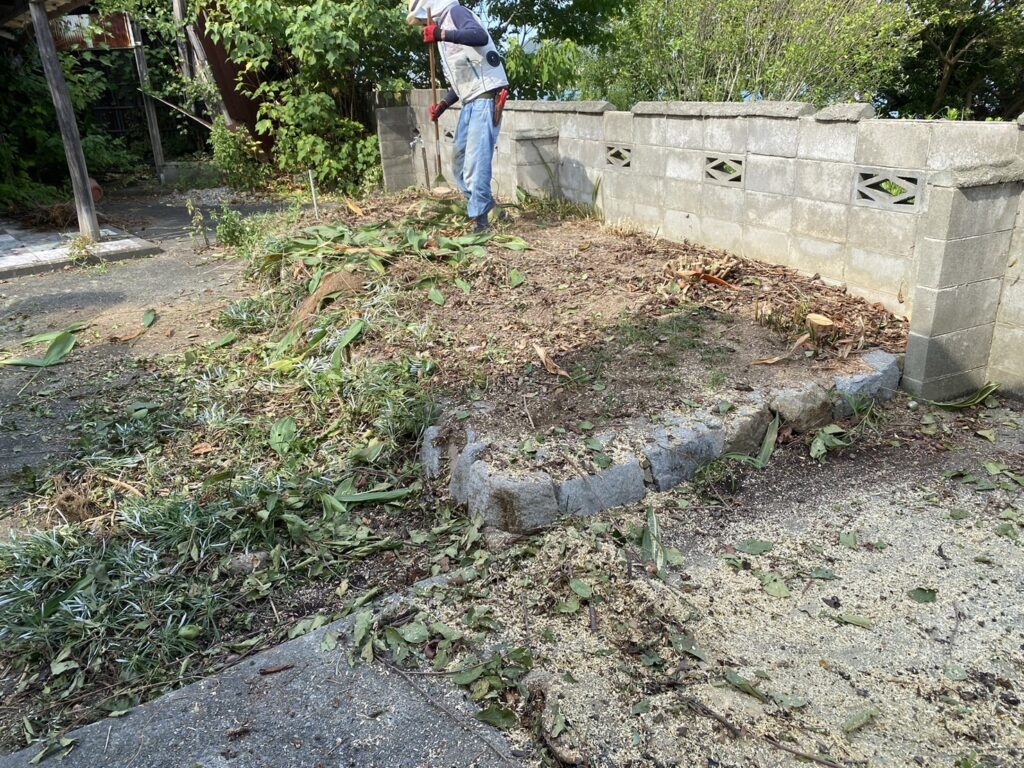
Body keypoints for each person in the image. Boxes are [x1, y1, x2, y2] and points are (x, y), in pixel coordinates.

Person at [407, 0, 509, 232]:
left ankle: (481, 223)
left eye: (424, 19)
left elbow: (479, 36)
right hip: (470, 100)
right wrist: (443, 104)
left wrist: (441, 34)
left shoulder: (456, 12)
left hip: (485, 97)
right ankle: (491, 210)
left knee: (476, 162)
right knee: (460, 163)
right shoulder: (446, 33)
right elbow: (464, 76)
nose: (424, 24)